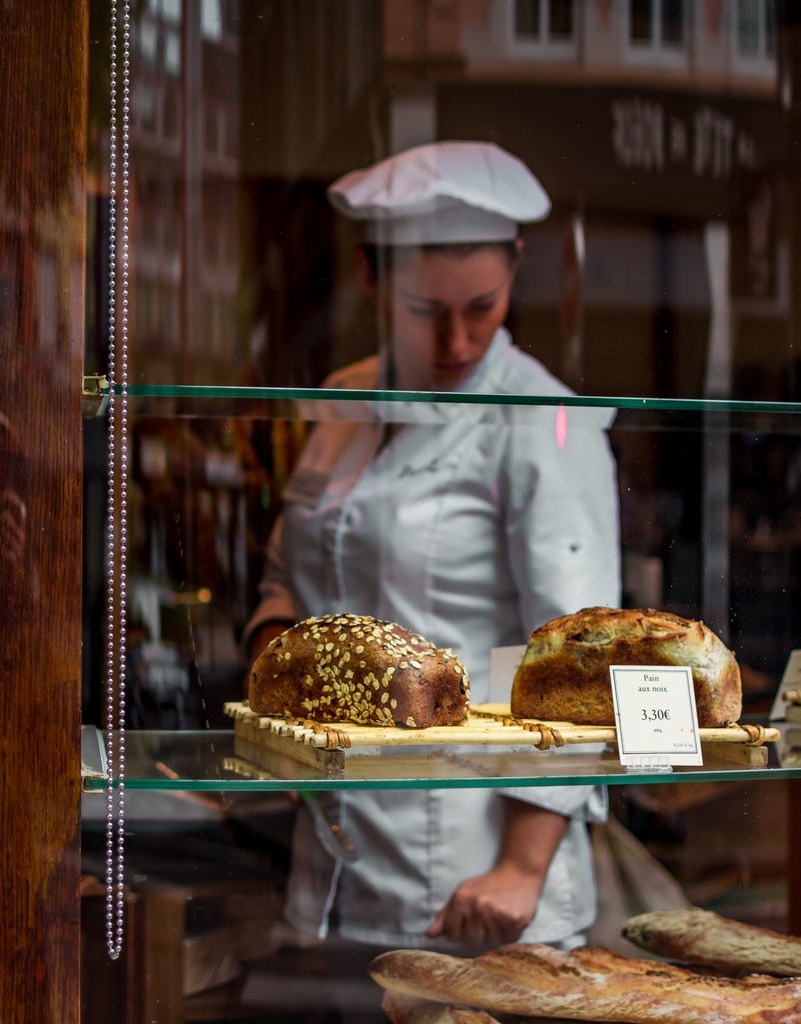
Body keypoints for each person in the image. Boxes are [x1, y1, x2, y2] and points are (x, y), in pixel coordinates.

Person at [244, 142, 621, 961]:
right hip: (334, 868)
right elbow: (288, 576)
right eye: (424, 309)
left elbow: (579, 668)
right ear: (370, 278)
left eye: (481, 306)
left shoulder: (545, 421)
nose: (456, 339)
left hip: (476, 887)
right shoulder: (344, 399)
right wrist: (276, 670)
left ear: (518, 269)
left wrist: (520, 869)